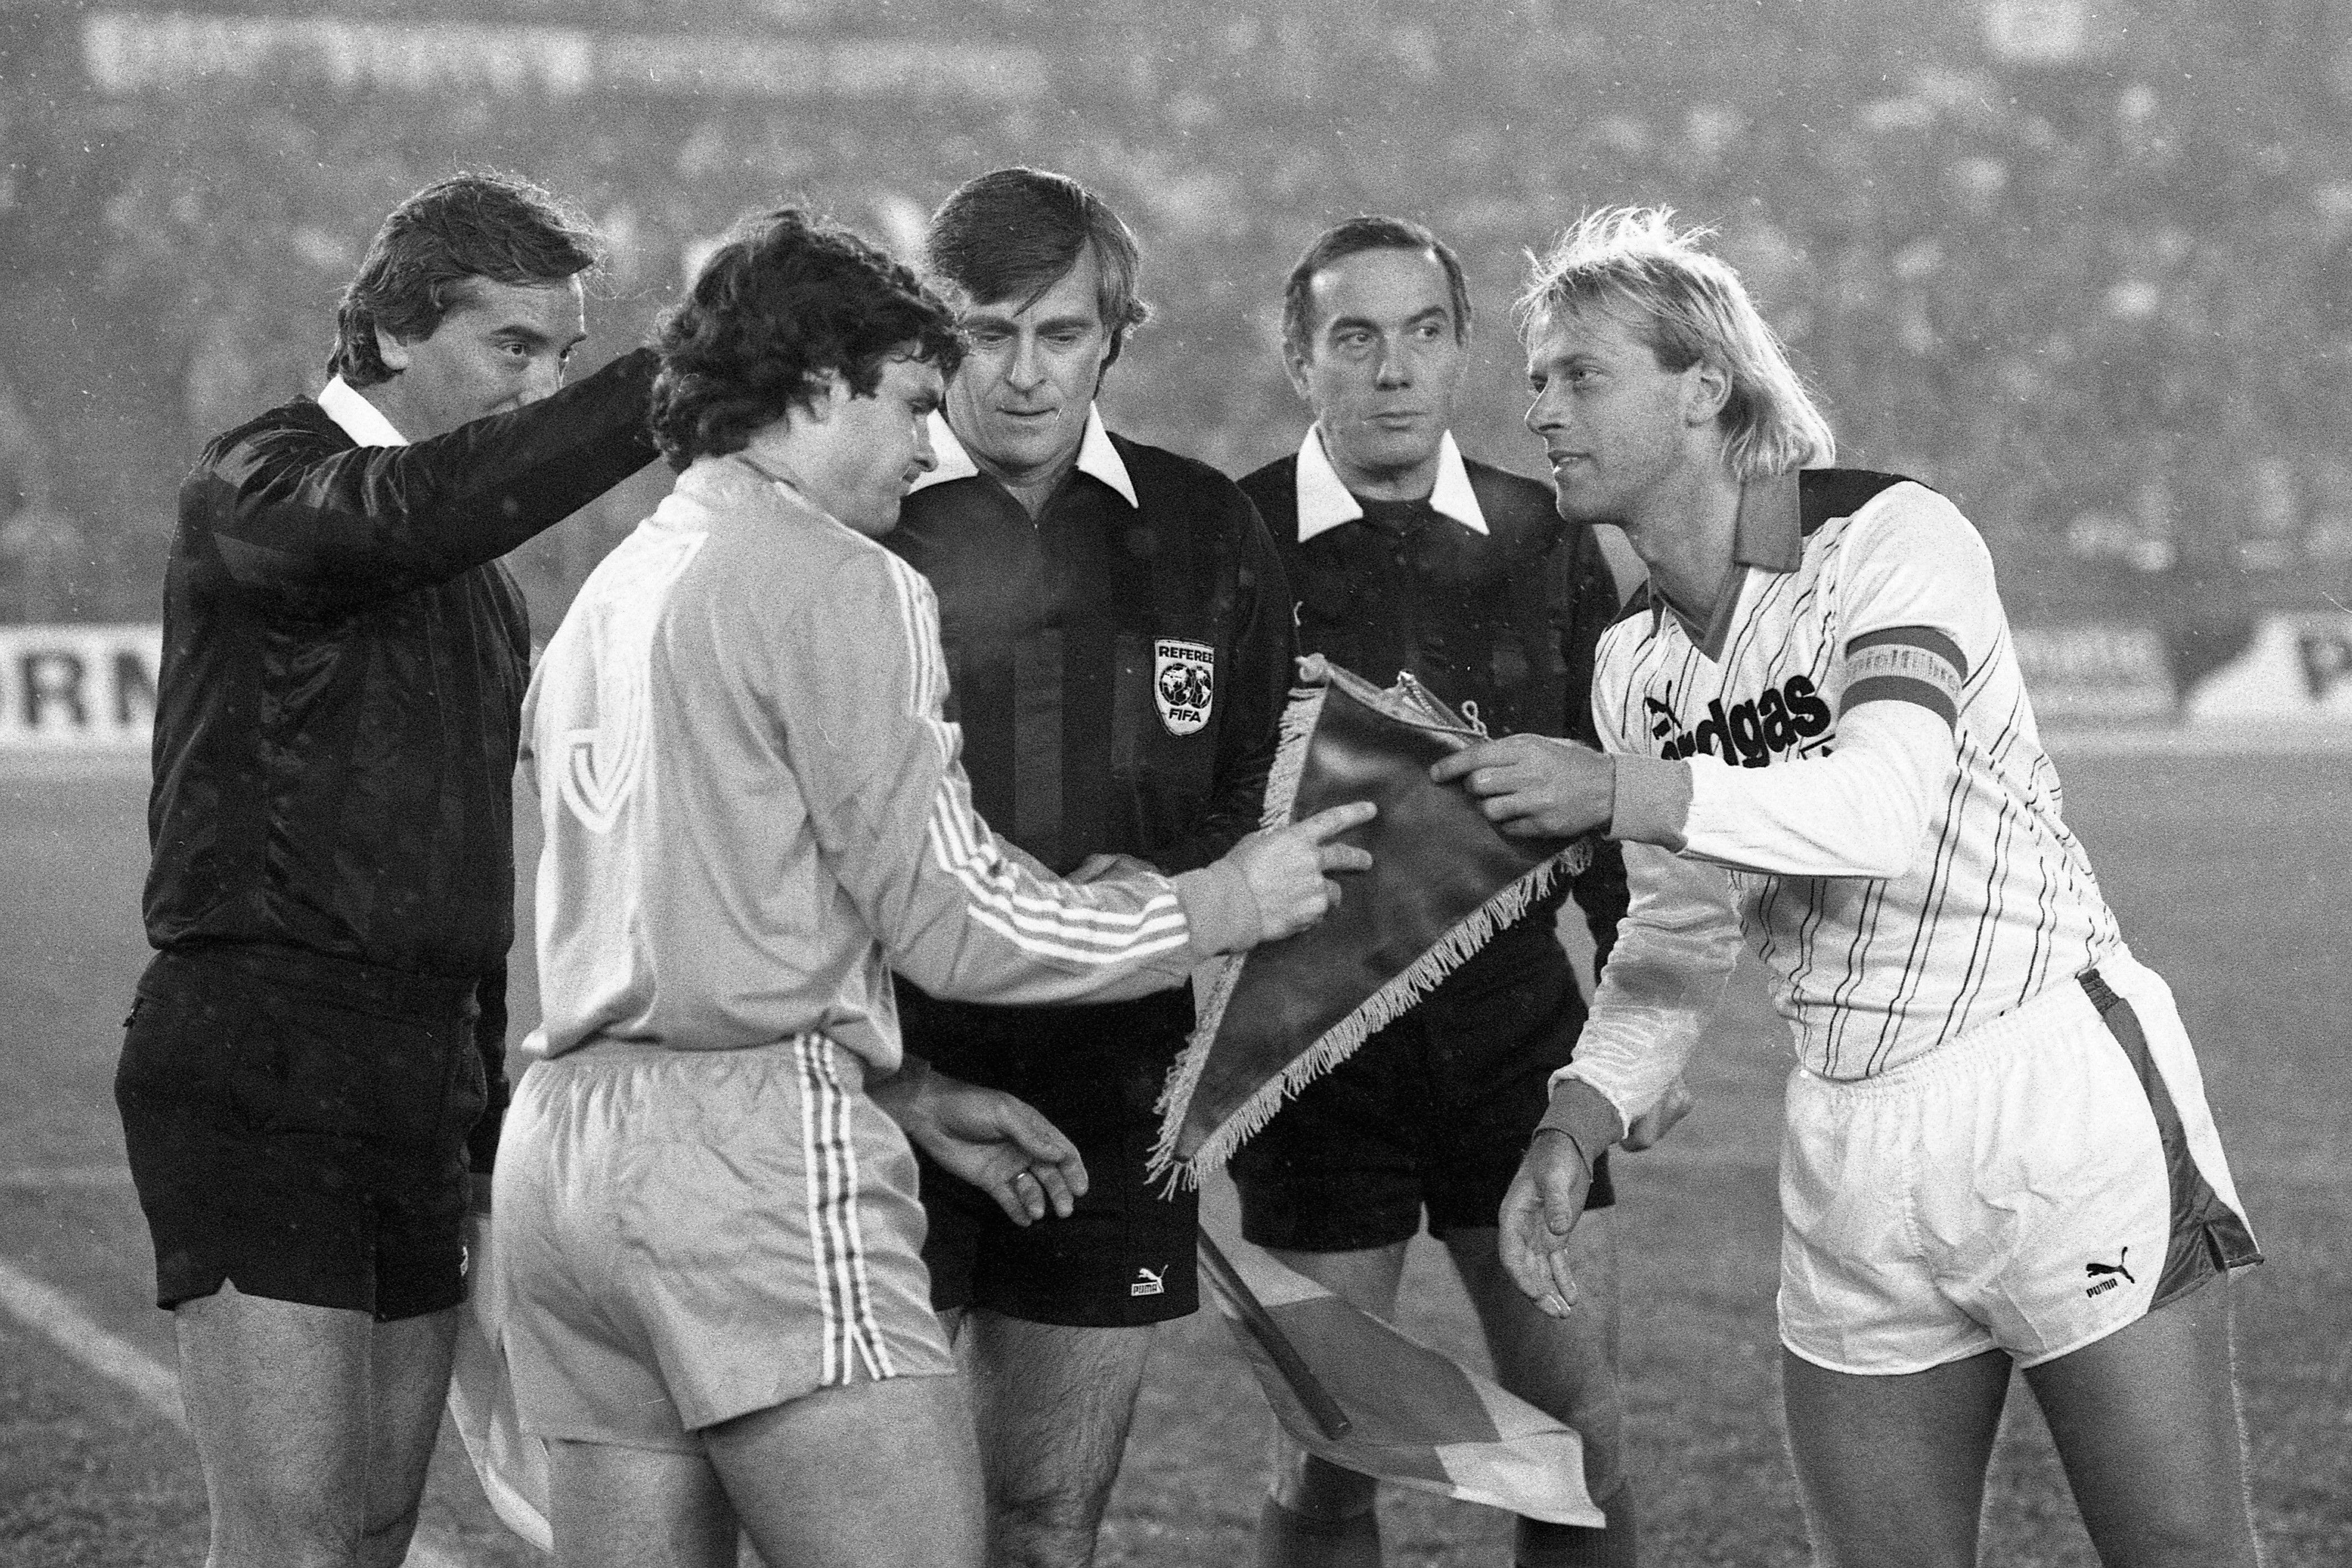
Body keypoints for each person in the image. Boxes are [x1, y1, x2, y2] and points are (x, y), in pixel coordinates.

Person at [495, 207, 1373, 1568]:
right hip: (750, 1166)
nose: (926, 440)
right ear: (811, 389)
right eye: (911, 397)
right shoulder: (838, 576)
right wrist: (1223, 903)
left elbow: (682, 913)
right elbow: (954, 918)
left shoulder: (615, 585)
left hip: (564, 1161)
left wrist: (893, 1084)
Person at [1435, 207, 2263, 1568]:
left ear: (1702, 386)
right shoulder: (1630, 668)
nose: (1540, 411)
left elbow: (1884, 804)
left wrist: (1618, 789)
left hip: (2048, 1094)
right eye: (1534, 381)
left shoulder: (1887, 536)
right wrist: (1573, 1120)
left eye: (1577, 374)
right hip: (1846, 1142)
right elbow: (1677, 928)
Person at [113, 172, 663, 1568]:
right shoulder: (257, 475)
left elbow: (472, 871)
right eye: (513, 347)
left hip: (424, 1080)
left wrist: (480, 1134)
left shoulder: (480, 585)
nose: (538, 386)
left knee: (366, 1533)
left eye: (563, 357)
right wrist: (678, 382)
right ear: (398, 328)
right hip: (263, 1052)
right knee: (292, 1540)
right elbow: (397, 516)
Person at [881, 167, 1297, 1567]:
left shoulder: (1202, 526)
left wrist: (1172, 872)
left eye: (1056, 333)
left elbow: (1256, 775)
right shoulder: (862, 515)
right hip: (886, 1069)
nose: (1018, 372)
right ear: (932, 336)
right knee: (866, 1530)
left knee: (1047, 1518)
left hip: (1118, 1075)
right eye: (982, 332)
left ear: (1113, 333)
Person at [1227, 215, 1647, 1568]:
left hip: (1517, 1040)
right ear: (1301, 359)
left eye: (1421, 332)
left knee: (1579, 1441)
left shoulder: (1544, 532)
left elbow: (1605, 794)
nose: (1392, 369)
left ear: (1462, 350)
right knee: (1331, 1447)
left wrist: (1634, 1022)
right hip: (1314, 1051)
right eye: (1354, 336)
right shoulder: (1230, 539)